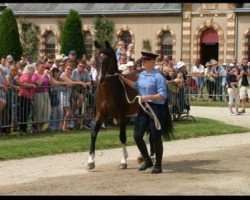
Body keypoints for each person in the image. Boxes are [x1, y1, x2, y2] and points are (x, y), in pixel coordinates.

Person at [118, 51, 167, 174]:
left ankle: (158, 164)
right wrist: (123, 79)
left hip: (156, 109)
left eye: (145, 61)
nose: (143, 62)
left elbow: (162, 95)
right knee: (137, 135)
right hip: (144, 108)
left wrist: (148, 97)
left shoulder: (158, 77)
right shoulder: (143, 75)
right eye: (143, 61)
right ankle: (147, 159)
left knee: (156, 136)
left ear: (152, 62)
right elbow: (137, 86)